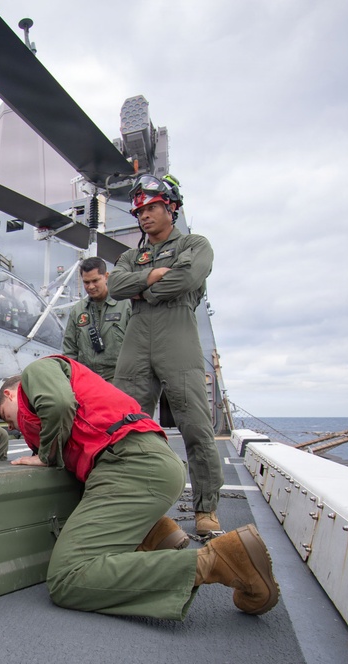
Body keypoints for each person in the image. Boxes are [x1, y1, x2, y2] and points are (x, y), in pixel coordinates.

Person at [0, 356, 279, 620]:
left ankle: (219, 560)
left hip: (129, 465)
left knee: (68, 578)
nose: (14, 427)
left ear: (9, 393)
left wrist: (45, 455)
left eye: (8, 417)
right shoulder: (67, 386)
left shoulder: (36, 372)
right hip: (145, 464)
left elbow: (57, 404)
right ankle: (155, 534)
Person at [107, 174, 223, 537]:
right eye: (140, 210)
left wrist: (145, 287)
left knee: (195, 426)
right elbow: (115, 285)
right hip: (137, 337)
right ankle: (132, 504)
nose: (144, 215)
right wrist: (151, 276)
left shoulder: (194, 244)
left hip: (178, 334)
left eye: (153, 207)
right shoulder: (130, 255)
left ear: (171, 208)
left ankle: (205, 508)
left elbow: (187, 279)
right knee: (124, 424)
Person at [62, 256, 130, 382]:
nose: (91, 287)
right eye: (86, 282)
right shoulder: (78, 311)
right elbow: (70, 350)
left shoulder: (126, 305)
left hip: (119, 380)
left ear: (106, 276)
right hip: (88, 380)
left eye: (95, 281)